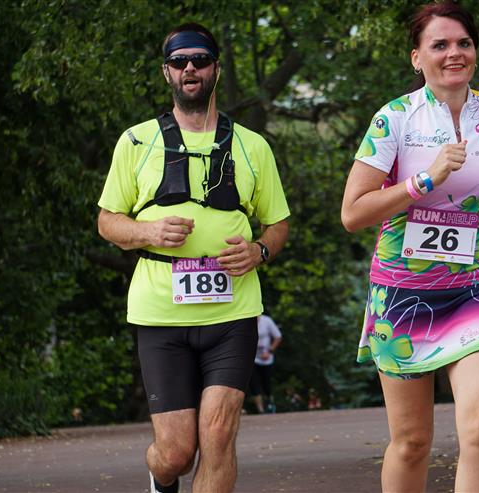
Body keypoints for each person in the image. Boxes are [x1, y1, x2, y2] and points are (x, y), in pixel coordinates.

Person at [341, 2, 479, 492]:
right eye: (440, 45)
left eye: (463, 43)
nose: (454, 53)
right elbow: (353, 213)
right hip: (403, 294)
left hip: (475, 287)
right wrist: (424, 180)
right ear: (417, 57)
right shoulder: (395, 118)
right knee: (412, 443)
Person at [97, 22, 290, 493]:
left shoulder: (252, 145)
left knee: (219, 437)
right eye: (179, 61)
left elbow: (278, 224)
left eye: (200, 60)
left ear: (216, 69)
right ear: (166, 72)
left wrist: (259, 250)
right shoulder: (136, 141)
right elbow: (107, 221)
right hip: (160, 315)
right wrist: (147, 231)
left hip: (232, 312)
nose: (190, 69)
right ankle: (160, 476)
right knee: (177, 453)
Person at [248, 313, 282, 413]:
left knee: (266, 384)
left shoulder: (266, 321)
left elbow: (278, 337)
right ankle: (261, 410)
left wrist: (270, 351)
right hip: (253, 359)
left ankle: (270, 405)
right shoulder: (246, 322)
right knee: (254, 384)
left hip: (266, 359)